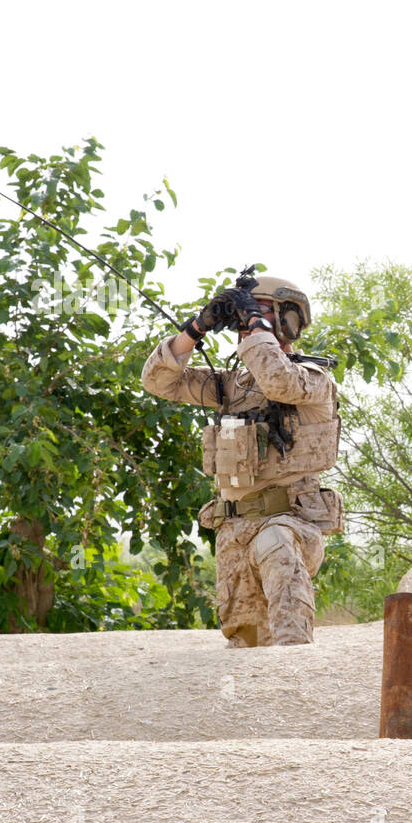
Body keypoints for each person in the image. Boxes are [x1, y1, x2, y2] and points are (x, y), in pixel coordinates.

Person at [141, 274, 344, 647]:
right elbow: (159, 382)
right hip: (234, 531)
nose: (245, 321)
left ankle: (298, 664)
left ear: (287, 320)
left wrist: (256, 329)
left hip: (289, 523)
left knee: (277, 556)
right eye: (244, 313)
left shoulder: (314, 380)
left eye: (261, 311)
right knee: (247, 642)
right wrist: (197, 328)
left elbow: (278, 381)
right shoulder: (233, 386)